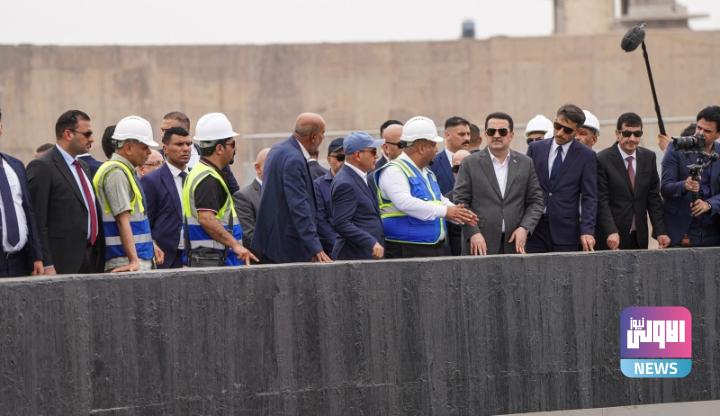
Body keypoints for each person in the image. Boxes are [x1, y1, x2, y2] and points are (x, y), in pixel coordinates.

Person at [374, 116, 478, 258]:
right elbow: (404, 202)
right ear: (422, 148)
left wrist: (459, 213)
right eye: (433, 145)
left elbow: (438, 199)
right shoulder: (394, 170)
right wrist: (446, 211)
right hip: (406, 249)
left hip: (431, 247)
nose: (437, 149)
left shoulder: (426, 172)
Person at [454, 112, 544, 255]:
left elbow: (536, 201)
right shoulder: (469, 163)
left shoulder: (525, 163)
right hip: (479, 245)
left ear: (511, 135)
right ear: (486, 134)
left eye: (502, 131)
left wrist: (525, 228)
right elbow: (461, 201)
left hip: (514, 244)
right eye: (491, 131)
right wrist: (473, 232)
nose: (496, 135)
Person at [27, 110, 103, 275]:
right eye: (87, 134)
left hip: (90, 260)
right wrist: (46, 262)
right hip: (60, 263)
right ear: (68, 134)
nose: (92, 139)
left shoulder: (83, 167)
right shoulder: (43, 167)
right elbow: (37, 220)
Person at [251, 113, 332, 263]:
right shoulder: (294, 159)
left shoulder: (277, 150)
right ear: (314, 137)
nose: (323, 138)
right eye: (323, 133)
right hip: (287, 248)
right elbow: (299, 206)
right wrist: (315, 247)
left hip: (271, 242)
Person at [183, 113, 257, 266]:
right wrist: (235, 245)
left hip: (208, 259)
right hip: (214, 261)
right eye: (232, 144)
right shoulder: (208, 178)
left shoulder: (201, 172)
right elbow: (206, 218)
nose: (235, 149)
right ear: (219, 148)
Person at [92, 116, 163, 272]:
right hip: (124, 261)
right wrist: (133, 261)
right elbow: (122, 219)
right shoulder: (115, 173)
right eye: (145, 147)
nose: (149, 152)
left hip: (134, 258)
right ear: (129, 148)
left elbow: (135, 219)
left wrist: (150, 244)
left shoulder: (123, 171)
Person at [526, 104, 598, 252]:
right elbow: (525, 187)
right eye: (557, 126)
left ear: (577, 131)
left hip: (566, 232)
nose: (560, 133)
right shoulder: (535, 149)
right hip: (534, 229)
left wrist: (587, 231)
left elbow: (589, 197)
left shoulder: (586, 156)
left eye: (567, 130)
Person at [597, 112, 670, 250]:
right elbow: (602, 200)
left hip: (639, 237)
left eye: (637, 134)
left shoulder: (649, 157)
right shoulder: (602, 159)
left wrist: (660, 231)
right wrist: (611, 231)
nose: (632, 139)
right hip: (612, 238)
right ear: (617, 134)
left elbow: (653, 198)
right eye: (627, 134)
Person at [662, 105, 720, 247]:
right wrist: (684, 185)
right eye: (699, 128)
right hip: (682, 232)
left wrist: (709, 204)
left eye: (707, 131)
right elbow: (665, 188)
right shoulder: (676, 148)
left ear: (718, 134)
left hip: (714, 231)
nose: (700, 133)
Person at [140, 126, 193, 268]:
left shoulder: (196, 177)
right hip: (166, 259)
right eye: (179, 144)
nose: (186, 149)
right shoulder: (152, 181)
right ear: (165, 149)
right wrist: (152, 245)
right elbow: (146, 221)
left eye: (188, 144)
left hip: (195, 256)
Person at [0, 107, 43, 277]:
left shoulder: (16, 165)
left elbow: (28, 212)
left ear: (1, 128)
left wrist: (36, 256)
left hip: (21, 262)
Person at [330, 132, 385, 260]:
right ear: (358, 155)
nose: (376, 156)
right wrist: (371, 242)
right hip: (354, 256)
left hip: (366, 254)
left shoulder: (363, 176)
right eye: (373, 152)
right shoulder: (345, 183)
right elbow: (341, 223)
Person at [161, 111, 240, 193]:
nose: (162, 135)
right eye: (162, 130)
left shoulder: (211, 160)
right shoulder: (158, 160)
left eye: (167, 131)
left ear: (185, 130)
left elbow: (234, 192)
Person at [232, 147, 270, 249]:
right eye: (272, 165)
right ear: (258, 168)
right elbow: (249, 236)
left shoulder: (285, 192)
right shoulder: (243, 197)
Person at [314, 137, 344, 255]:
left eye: (347, 158)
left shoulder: (358, 181)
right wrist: (339, 246)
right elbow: (320, 221)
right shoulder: (318, 185)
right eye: (340, 157)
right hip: (332, 251)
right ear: (328, 159)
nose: (343, 162)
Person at [431, 116, 470, 195]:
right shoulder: (433, 164)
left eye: (468, 134)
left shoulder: (477, 162)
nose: (467, 138)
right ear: (447, 135)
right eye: (461, 134)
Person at [446, 149, 471, 256]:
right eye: (456, 168)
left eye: (465, 168)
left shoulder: (487, 195)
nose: (461, 173)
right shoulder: (446, 200)